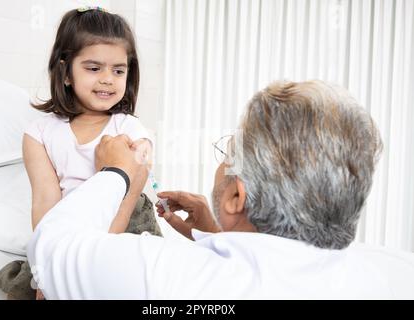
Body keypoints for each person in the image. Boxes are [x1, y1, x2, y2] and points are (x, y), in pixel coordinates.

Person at [27, 80, 414, 299]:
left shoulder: (165, 278)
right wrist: (216, 231)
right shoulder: (396, 271)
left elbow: (51, 247)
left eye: (226, 152)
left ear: (236, 197)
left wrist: (116, 173)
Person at [22, 7, 158, 299]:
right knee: (26, 286)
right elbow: (45, 205)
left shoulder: (134, 133)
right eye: (94, 68)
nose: (108, 79)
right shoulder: (39, 133)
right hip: (69, 228)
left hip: (122, 228)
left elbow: (123, 208)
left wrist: (88, 269)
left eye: (118, 70)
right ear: (65, 72)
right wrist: (48, 269)